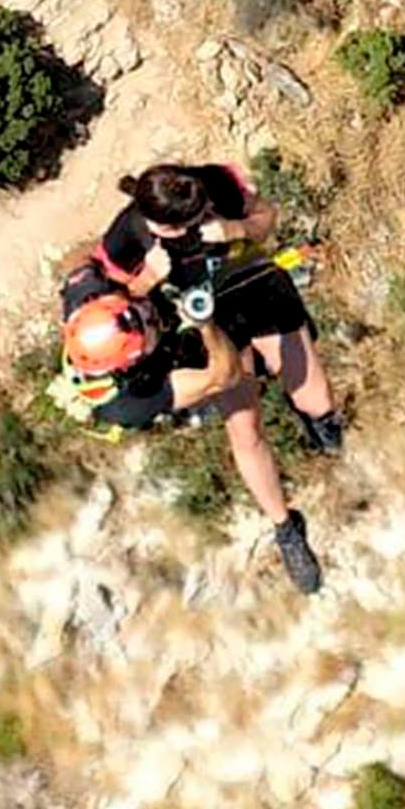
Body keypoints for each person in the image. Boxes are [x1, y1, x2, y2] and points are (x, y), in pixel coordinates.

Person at [55, 162, 340, 594]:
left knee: (316, 397)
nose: (195, 226)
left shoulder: (210, 187)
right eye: (146, 324)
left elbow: (265, 219)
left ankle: (323, 427)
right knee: (245, 430)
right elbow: (222, 375)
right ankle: (285, 528)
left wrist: (235, 229)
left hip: (249, 285)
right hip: (201, 326)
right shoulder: (128, 397)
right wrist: (177, 303)